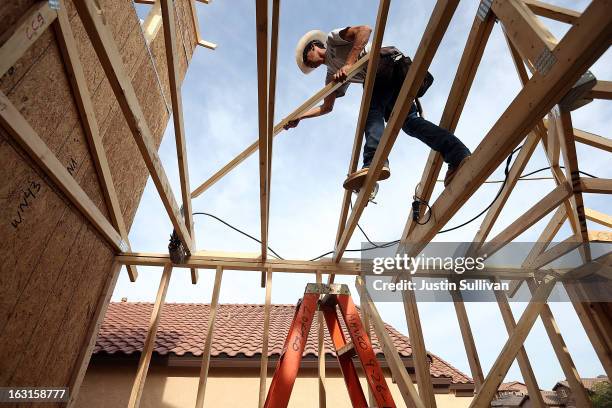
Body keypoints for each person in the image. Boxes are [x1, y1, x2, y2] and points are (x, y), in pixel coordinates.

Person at [284, 26, 471, 190]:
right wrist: (300, 116)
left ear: (313, 46)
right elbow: (327, 107)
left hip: (385, 63)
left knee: (372, 110)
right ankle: (457, 154)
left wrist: (349, 63)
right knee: (410, 123)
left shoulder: (334, 39)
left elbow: (364, 30)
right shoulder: (331, 74)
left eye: (305, 60)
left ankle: (373, 160)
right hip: (386, 82)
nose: (308, 65)